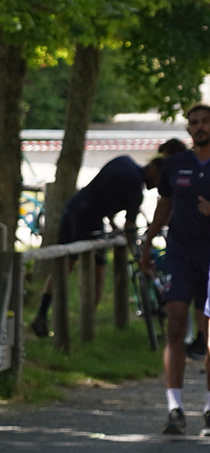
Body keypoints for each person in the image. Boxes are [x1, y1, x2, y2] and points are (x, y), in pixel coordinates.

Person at [28, 154, 160, 339]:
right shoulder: (136, 190)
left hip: (73, 208)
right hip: (89, 220)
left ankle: (42, 312)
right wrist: (139, 256)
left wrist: (113, 224)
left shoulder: (124, 161)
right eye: (159, 179)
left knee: (65, 263)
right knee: (99, 272)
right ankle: (86, 324)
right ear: (153, 170)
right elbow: (129, 226)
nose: (158, 185)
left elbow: (104, 192)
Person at [140, 104, 210, 435]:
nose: (200, 127)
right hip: (180, 253)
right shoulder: (174, 165)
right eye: (194, 123)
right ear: (188, 129)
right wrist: (147, 242)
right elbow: (164, 206)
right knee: (176, 323)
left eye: (206, 122)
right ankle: (175, 406)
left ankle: (209, 406)